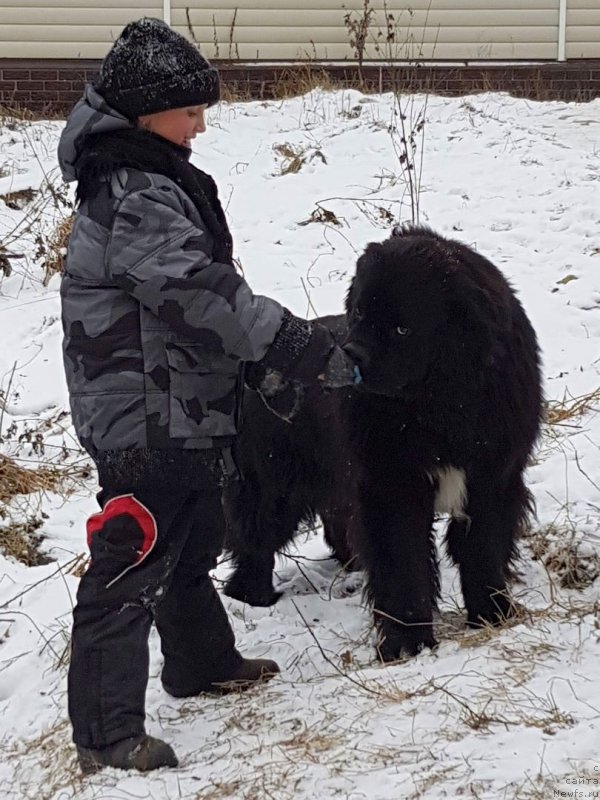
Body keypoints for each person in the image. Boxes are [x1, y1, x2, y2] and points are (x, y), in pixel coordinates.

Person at [57, 17, 358, 774]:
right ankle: (106, 734)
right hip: (141, 409)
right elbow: (200, 292)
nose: (198, 127)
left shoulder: (149, 177)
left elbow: (190, 307)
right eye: (189, 111)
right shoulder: (132, 190)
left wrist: (251, 369)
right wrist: (290, 342)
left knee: (191, 539)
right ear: (143, 110)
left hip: (177, 401)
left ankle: (201, 664)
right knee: (133, 559)